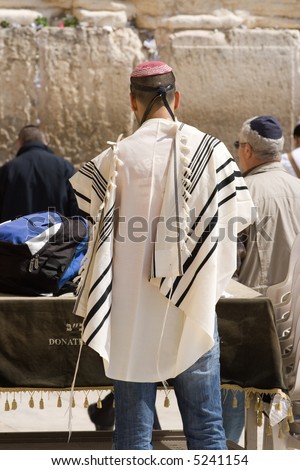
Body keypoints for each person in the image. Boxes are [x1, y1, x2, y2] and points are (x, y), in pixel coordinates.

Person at [70, 61, 254, 450]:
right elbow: (238, 218)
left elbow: (91, 221)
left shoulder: (114, 159)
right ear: (178, 97)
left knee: (133, 434)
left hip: (130, 316)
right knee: (206, 431)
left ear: (132, 103)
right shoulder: (212, 153)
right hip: (193, 310)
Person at [222, 115, 300, 444]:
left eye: (239, 146)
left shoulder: (243, 192)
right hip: (294, 321)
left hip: (252, 322)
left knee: (232, 404)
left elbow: (221, 257)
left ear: (249, 151)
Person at [0, 124, 79, 222]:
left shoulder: (7, 171)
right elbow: (76, 209)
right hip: (56, 235)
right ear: (44, 141)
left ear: (20, 143)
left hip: (17, 236)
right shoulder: (65, 168)